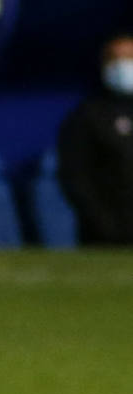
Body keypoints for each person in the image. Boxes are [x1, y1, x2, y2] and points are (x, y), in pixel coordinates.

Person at [58, 31, 133, 243]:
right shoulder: (88, 116)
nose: (123, 65)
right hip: (106, 236)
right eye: (115, 59)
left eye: (129, 59)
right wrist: (104, 225)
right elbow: (75, 176)